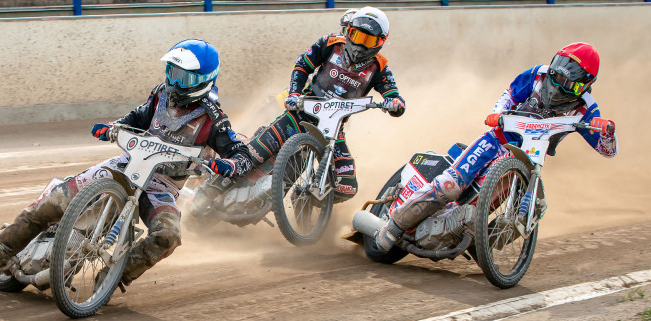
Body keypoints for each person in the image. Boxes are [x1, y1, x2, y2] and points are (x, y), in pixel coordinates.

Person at [0, 39, 254, 286]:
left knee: (168, 234)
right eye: (173, 73)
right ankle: (2, 247)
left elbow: (240, 153)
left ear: (204, 80)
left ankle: (116, 275)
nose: (176, 83)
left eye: (185, 78)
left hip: (160, 188)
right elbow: (137, 117)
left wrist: (230, 165)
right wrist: (114, 127)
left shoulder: (214, 119)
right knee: (56, 200)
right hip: (124, 166)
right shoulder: (161, 95)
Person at [374, 42, 618, 252]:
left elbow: (608, 150)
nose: (557, 84)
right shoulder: (537, 75)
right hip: (497, 139)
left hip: (527, 160)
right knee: (451, 184)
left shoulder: (587, 107)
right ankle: (393, 226)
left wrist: (608, 133)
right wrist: (497, 114)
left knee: (530, 210)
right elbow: (509, 94)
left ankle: (483, 249)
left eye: (567, 82)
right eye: (557, 76)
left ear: (583, 85)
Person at [189, 6, 405, 213]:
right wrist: (294, 94)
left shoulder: (380, 66)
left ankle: (306, 200)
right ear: (348, 31)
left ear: (380, 42)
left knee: (347, 186)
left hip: (333, 131)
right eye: (356, 35)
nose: (359, 45)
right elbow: (302, 64)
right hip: (298, 115)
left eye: (367, 40)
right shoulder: (330, 43)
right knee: (250, 154)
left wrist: (394, 103)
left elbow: (393, 95)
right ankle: (206, 193)